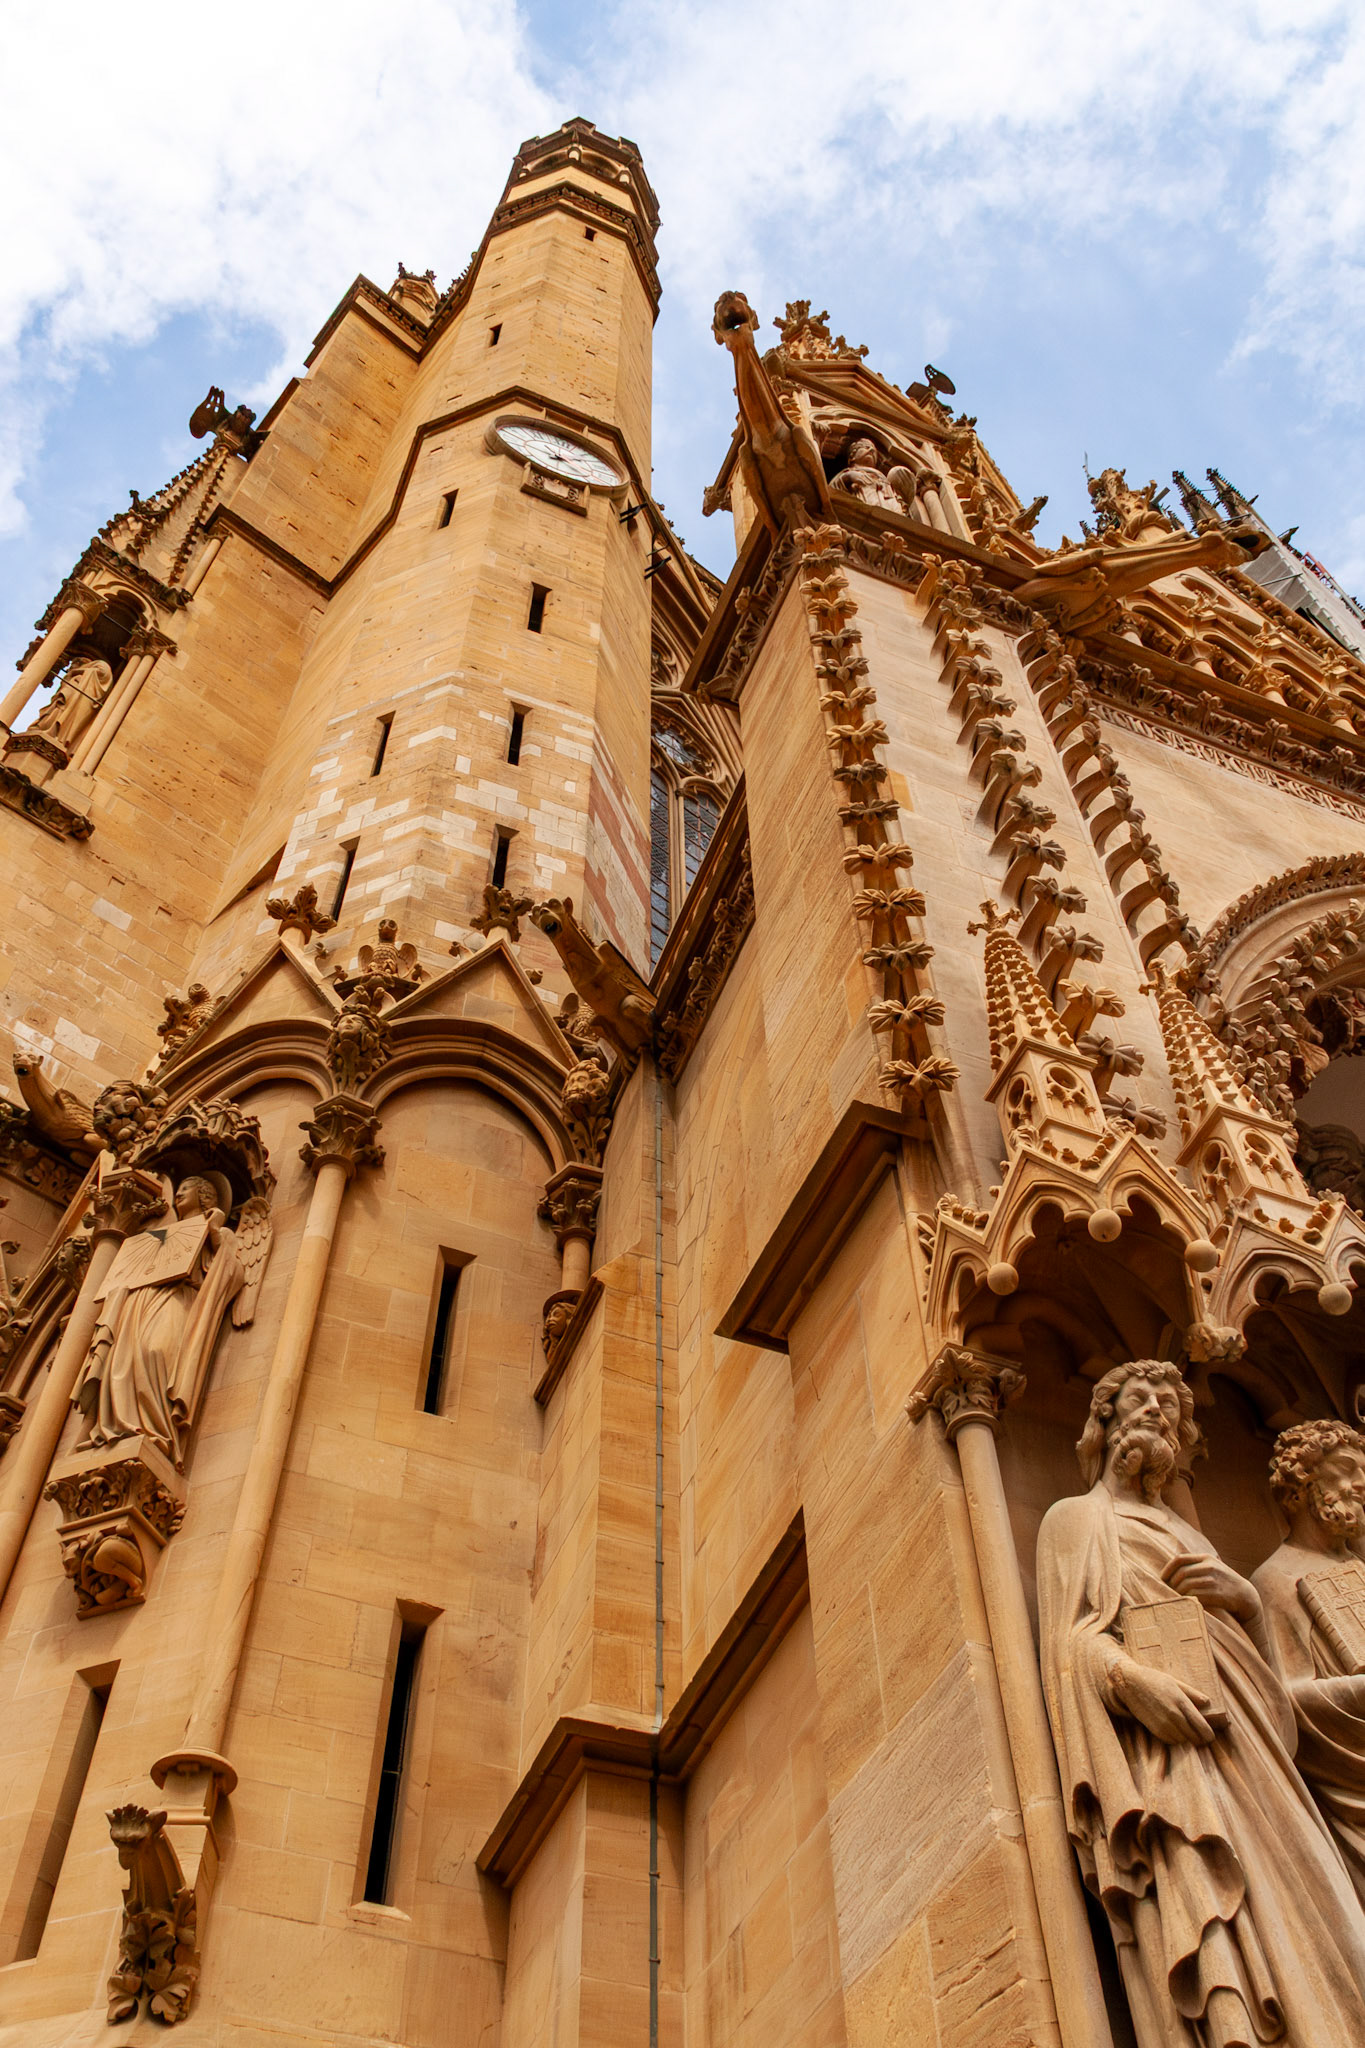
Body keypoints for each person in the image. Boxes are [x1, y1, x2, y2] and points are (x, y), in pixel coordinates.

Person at [1037, 1358, 1365, 2045]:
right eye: (1139, 1397)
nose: (1156, 1409)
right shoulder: (1076, 1521)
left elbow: (1261, 1658)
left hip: (1250, 1737)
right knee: (1224, 1907)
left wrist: (1241, 1599)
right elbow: (1067, 1644)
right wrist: (1131, 1682)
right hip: (1172, 1751)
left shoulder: (1189, 1532)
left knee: (1323, 1909)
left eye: (1168, 1403)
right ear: (1103, 1418)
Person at [1253, 1419, 1365, 1906]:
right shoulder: (1277, 1579)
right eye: (1345, 1469)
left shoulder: (1359, 1569)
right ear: (1303, 1484)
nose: (1359, 1483)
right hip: (1350, 1787)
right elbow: (1285, 1703)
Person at [74, 1175, 245, 1467]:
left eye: (185, 1189)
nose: (177, 1194)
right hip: (140, 1300)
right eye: (177, 1189)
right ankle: (120, 1425)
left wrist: (214, 1231)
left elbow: (233, 1273)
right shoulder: (158, 1234)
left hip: (179, 1298)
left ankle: (157, 1428)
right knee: (123, 1359)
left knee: (155, 1350)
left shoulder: (216, 1228)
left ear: (205, 1195)